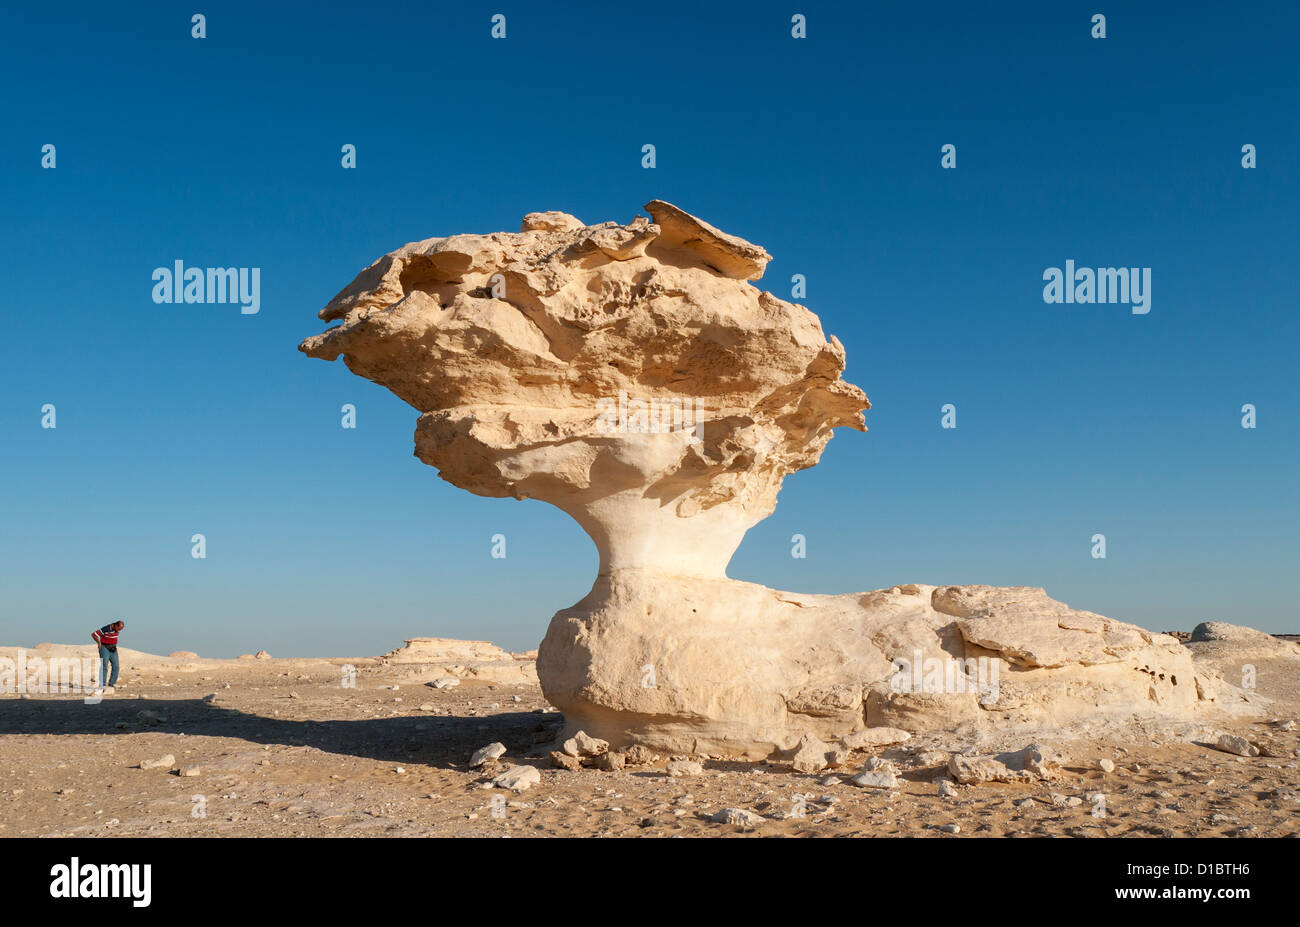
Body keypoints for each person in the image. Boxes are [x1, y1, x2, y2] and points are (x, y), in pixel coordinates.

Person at [91, 620, 125, 692]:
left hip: (113, 649)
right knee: (104, 666)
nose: (119, 631)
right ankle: (102, 685)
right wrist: (99, 643)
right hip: (105, 648)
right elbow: (94, 634)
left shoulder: (116, 629)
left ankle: (112, 683)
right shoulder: (106, 628)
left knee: (116, 666)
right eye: (119, 629)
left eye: (121, 630)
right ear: (115, 625)